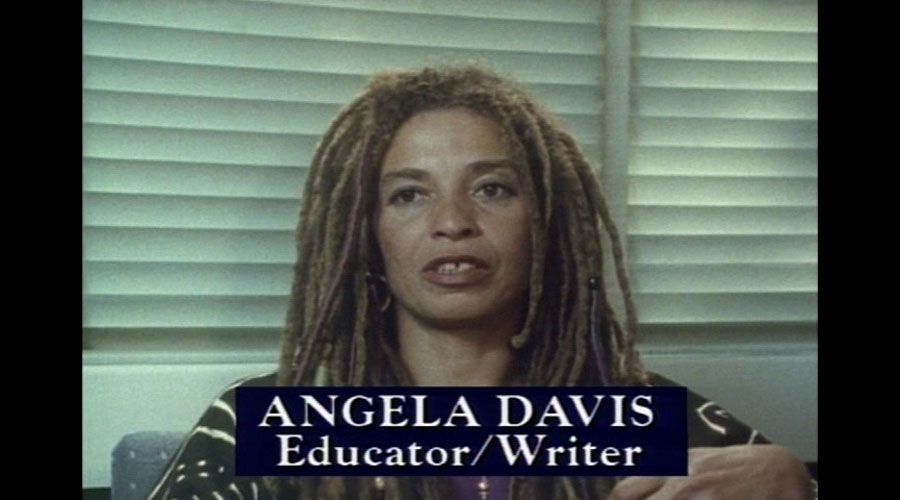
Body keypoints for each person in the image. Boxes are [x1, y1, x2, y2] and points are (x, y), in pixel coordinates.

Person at [145, 65, 815, 500]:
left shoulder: (640, 417)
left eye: (492, 188)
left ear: (547, 224)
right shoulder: (279, 424)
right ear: (365, 236)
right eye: (409, 195)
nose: (453, 223)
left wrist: (799, 490)